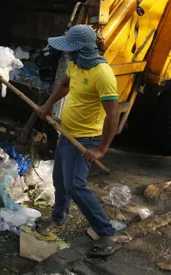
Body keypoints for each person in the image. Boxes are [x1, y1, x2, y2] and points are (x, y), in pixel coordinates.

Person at [36, 25, 120, 256]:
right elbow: (64, 85)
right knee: (60, 179)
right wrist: (48, 104)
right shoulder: (77, 65)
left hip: (87, 138)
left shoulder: (102, 74)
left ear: (82, 50)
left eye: (71, 50)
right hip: (68, 132)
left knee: (75, 186)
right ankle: (59, 219)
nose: (67, 54)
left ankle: (106, 232)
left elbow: (113, 115)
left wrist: (101, 149)